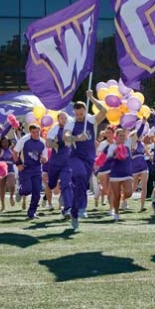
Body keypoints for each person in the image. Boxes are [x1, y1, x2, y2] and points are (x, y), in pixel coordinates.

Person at [64, 91, 107, 230]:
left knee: (82, 184)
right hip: (75, 157)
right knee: (80, 176)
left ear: (85, 111)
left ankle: (76, 210)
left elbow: (104, 111)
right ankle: (77, 208)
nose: (79, 117)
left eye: (81, 114)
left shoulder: (90, 119)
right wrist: (76, 138)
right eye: (77, 114)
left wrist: (91, 98)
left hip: (89, 158)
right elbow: (66, 137)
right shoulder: (71, 121)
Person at [13, 124, 47, 220]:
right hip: (25, 169)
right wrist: (18, 164)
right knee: (27, 190)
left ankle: (32, 213)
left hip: (37, 169)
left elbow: (45, 158)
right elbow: (15, 152)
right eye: (33, 132)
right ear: (30, 132)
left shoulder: (43, 142)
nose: (36, 134)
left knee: (37, 192)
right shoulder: (24, 140)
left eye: (37, 132)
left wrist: (44, 159)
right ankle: (20, 191)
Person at [47, 112, 73, 218]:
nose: (64, 119)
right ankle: (60, 196)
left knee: (66, 184)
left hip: (67, 162)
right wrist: (57, 144)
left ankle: (67, 208)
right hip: (54, 163)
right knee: (52, 185)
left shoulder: (71, 129)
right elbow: (47, 143)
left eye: (65, 117)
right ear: (58, 119)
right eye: (61, 118)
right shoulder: (54, 130)